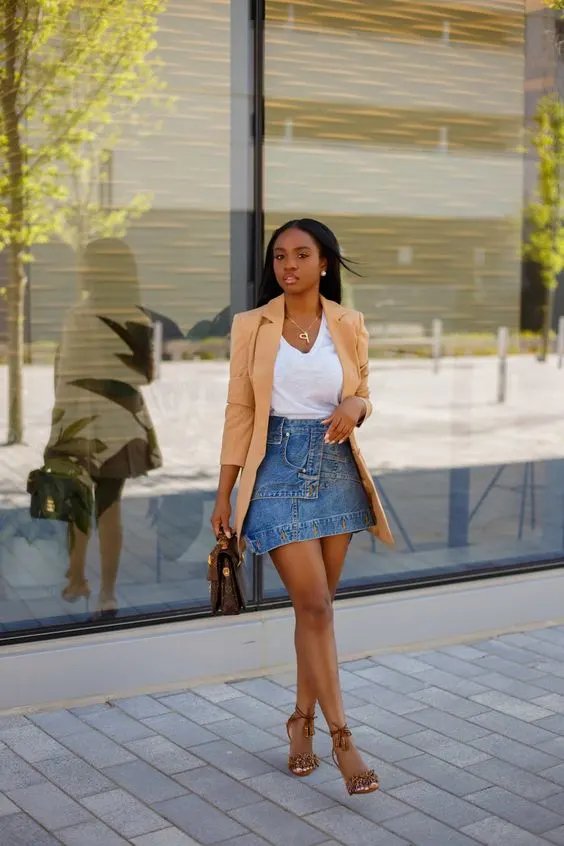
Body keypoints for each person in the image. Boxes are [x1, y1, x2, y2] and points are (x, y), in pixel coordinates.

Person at [211, 218, 394, 796]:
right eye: (280, 256)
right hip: (275, 473)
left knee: (316, 612)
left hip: (335, 469)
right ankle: (343, 737)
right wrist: (224, 492)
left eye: (301, 255)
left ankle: (300, 722)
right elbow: (240, 409)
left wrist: (354, 405)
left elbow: (365, 388)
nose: (288, 265)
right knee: (314, 604)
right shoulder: (252, 325)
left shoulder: (348, 322)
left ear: (323, 264)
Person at [46, 238, 162, 620]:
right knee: (109, 509)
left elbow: (62, 373)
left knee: (77, 504)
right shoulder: (139, 317)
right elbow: (146, 376)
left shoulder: (76, 315)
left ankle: (77, 578)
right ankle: (108, 594)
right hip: (121, 426)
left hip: (78, 421)